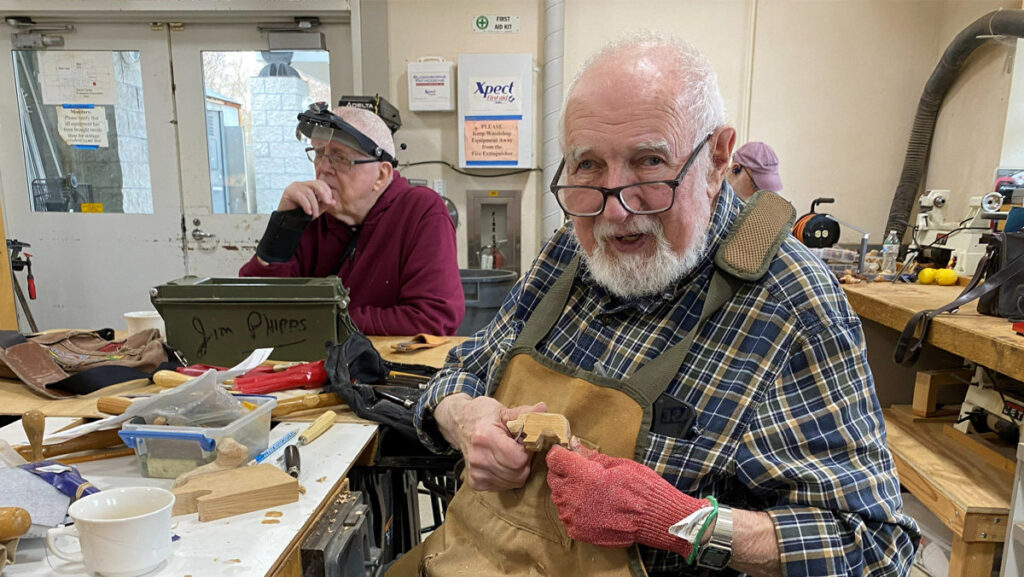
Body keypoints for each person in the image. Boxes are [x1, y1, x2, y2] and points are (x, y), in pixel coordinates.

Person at [387, 32, 919, 577]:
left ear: (716, 160)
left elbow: (873, 548)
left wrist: (678, 522)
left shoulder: (789, 302)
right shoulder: (570, 250)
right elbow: (460, 370)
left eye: (648, 162)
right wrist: (462, 418)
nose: (615, 210)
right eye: (587, 166)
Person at [239, 104, 464, 336]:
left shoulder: (421, 211)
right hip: (314, 365)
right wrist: (283, 227)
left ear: (381, 174)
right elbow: (256, 310)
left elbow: (433, 319)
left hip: (390, 367)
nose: (323, 168)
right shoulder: (310, 213)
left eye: (340, 158)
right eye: (318, 154)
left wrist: (316, 320)